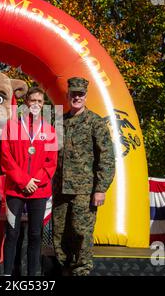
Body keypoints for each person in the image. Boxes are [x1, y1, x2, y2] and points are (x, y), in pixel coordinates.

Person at [52, 77, 115, 276]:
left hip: (84, 190)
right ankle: (65, 268)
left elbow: (106, 157)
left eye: (80, 94)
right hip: (60, 189)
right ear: (68, 95)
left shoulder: (95, 122)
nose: (77, 97)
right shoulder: (59, 121)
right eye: (73, 94)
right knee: (59, 233)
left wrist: (100, 189)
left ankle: (82, 270)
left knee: (81, 233)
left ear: (86, 96)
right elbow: (50, 153)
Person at [0, 86, 58, 276]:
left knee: (35, 235)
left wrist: (35, 181)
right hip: (15, 189)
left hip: (39, 191)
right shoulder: (11, 126)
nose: (36, 104)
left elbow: (51, 162)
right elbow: (6, 157)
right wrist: (24, 181)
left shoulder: (49, 130)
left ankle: (32, 276)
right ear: (26, 103)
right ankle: (7, 274)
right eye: (33, 100)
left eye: (40, 101)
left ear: (43, 105)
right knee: (12, 234)